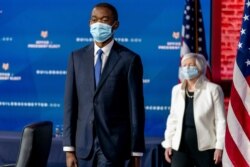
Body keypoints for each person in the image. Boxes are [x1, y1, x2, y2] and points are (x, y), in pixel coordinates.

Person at [63, 2, 145, 167]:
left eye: (104, 19)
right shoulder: (76, 58)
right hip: (83, 146)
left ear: (115, 25)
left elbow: (136, 109)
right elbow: (70, 105)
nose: (98, 24)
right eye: (94, 20)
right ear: (89, 24)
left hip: (114, 146)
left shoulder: (129, 60)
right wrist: (69, 149)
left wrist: (136, 152)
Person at [161, 53, 226, 167]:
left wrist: (219, 147)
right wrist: (168, 143)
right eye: (184, 65)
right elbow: (173, 119)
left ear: (200, 68)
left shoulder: (213, 89)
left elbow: (220, 121)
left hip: (206, 147)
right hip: (180, 146)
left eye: (190, 65)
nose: (186, 68)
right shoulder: (176, 90)